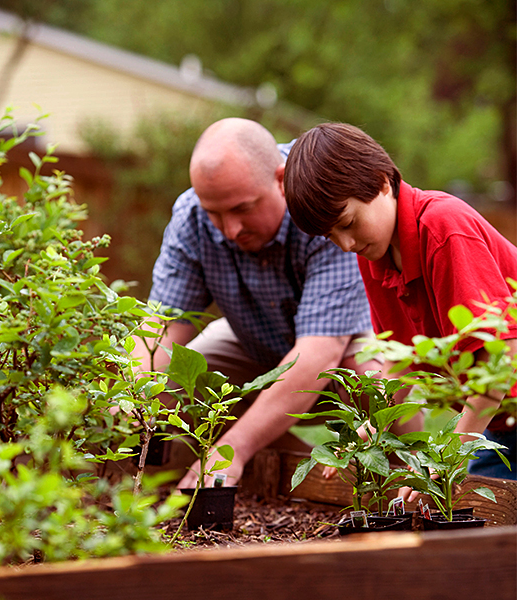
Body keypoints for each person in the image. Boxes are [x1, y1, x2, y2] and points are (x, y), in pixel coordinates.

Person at [139, 118, 385, 490]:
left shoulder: (320, 203)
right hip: (251, 337)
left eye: (242, 209)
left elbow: (318, 354)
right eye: (214, 213)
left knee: (374, 382)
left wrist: (232, 450)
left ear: (280, 178)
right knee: (177, 382)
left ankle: (398, 478)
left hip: (341, 342)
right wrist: (128, 395)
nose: (230, 228)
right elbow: (161, 328)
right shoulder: (191, 216)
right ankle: (278, 471)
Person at [283, 121, 517, 479]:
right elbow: (400, 362)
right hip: (501, 423)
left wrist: (447, 456)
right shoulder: (373, 255)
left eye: (347, 223)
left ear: (381, 182)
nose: (345, 244)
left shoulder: (442, 227)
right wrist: (374, 428)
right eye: (330, 237)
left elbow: (502, 355)